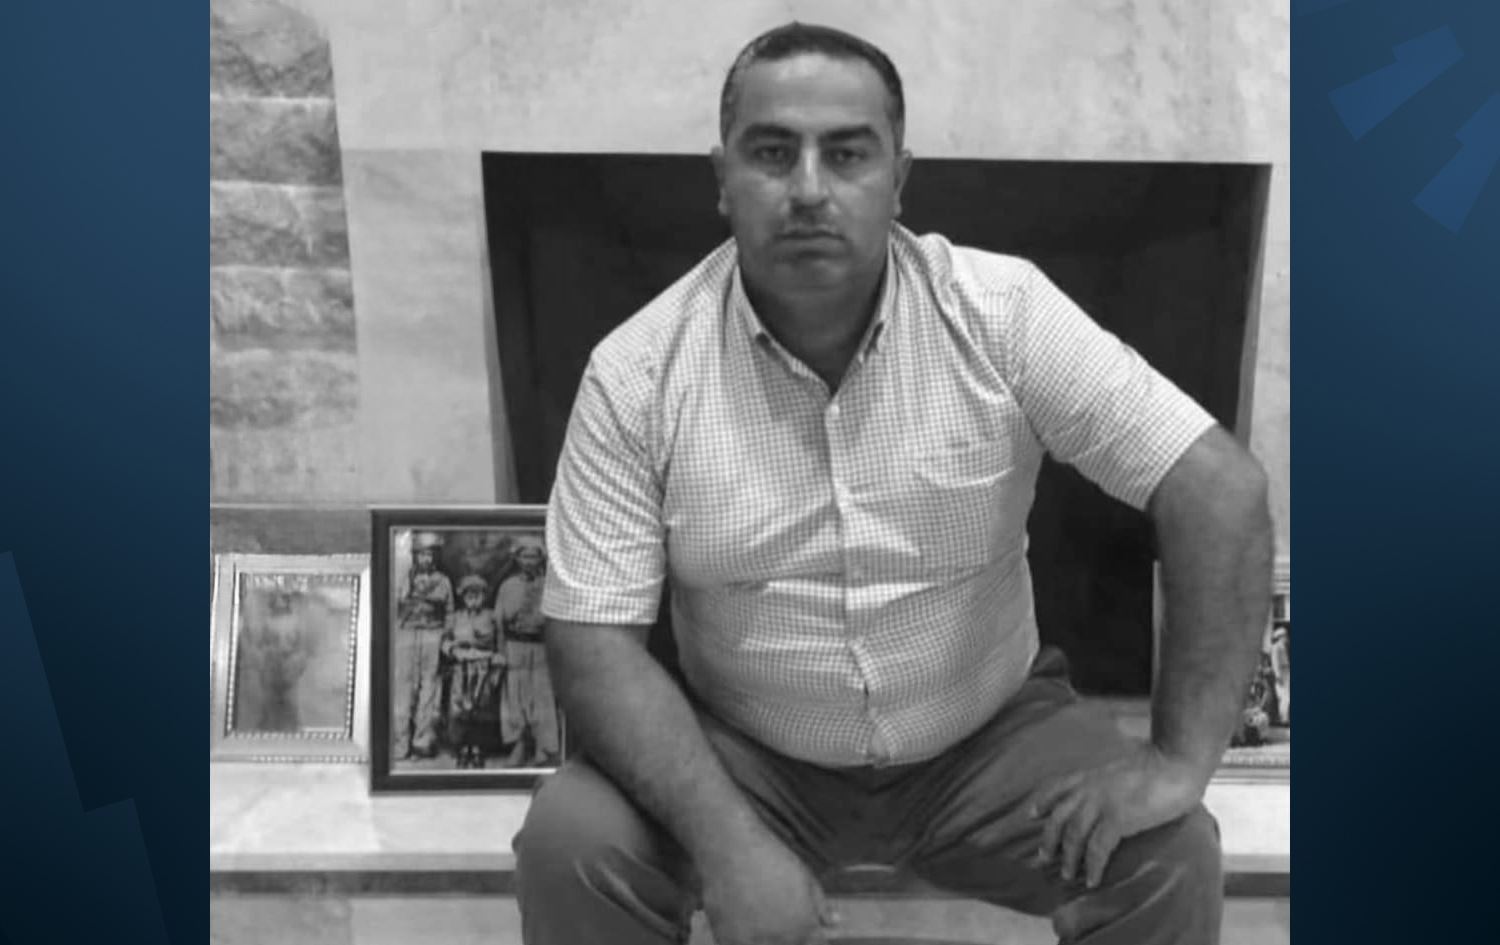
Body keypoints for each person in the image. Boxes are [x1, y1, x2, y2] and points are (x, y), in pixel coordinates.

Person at [515, 22, 1272, 945]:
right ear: (721, 177)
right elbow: (592, 640)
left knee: (1169, 853)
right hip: (744, 753)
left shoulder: (1003, 315)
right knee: (572, 842)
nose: (807, 189)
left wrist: (1179, 763)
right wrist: (728, 842)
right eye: (771, 153)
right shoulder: (637, 371)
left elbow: (1219, 490)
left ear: (899, 178)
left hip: (990, 743)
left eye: (847, 154)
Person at [496, 537, 560, 767]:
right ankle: (518, 745)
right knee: (515, 695)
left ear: (541, 559)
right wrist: (500, 651)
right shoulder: (508, 586)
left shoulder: (549, 586)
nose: (529, 561)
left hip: (541, 646)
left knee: (541, 695)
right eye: (525, 556)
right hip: (514, 646)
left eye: (534, 556)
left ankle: (544, 747)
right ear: (517, 559)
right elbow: (499, 623)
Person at [394, 531, 453, 758]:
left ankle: (422, 741)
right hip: (407, 634)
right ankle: (400, 742)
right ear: (415, 555)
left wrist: (446, 637)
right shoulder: (404, 579)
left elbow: (449, 612)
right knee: (403, 687)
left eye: (430, 555)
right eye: (422, 554)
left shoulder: (443, 581)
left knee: (429, 688)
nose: (426, 559)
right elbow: (394, 607)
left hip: (432, 635)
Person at [441, 573, 505, 768]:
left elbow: (500, 643)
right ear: (463, 596)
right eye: (469, 594)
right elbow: (445, 641)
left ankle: (478, 749)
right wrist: (452, 651)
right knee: (459, 708)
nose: (473, 598)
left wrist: (497, 666)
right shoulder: (455, 617)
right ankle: (462, 748)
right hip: (460, 668)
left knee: (481, 709)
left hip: (484, 668)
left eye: (478, 594)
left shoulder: (492, 617)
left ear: (484, 596)